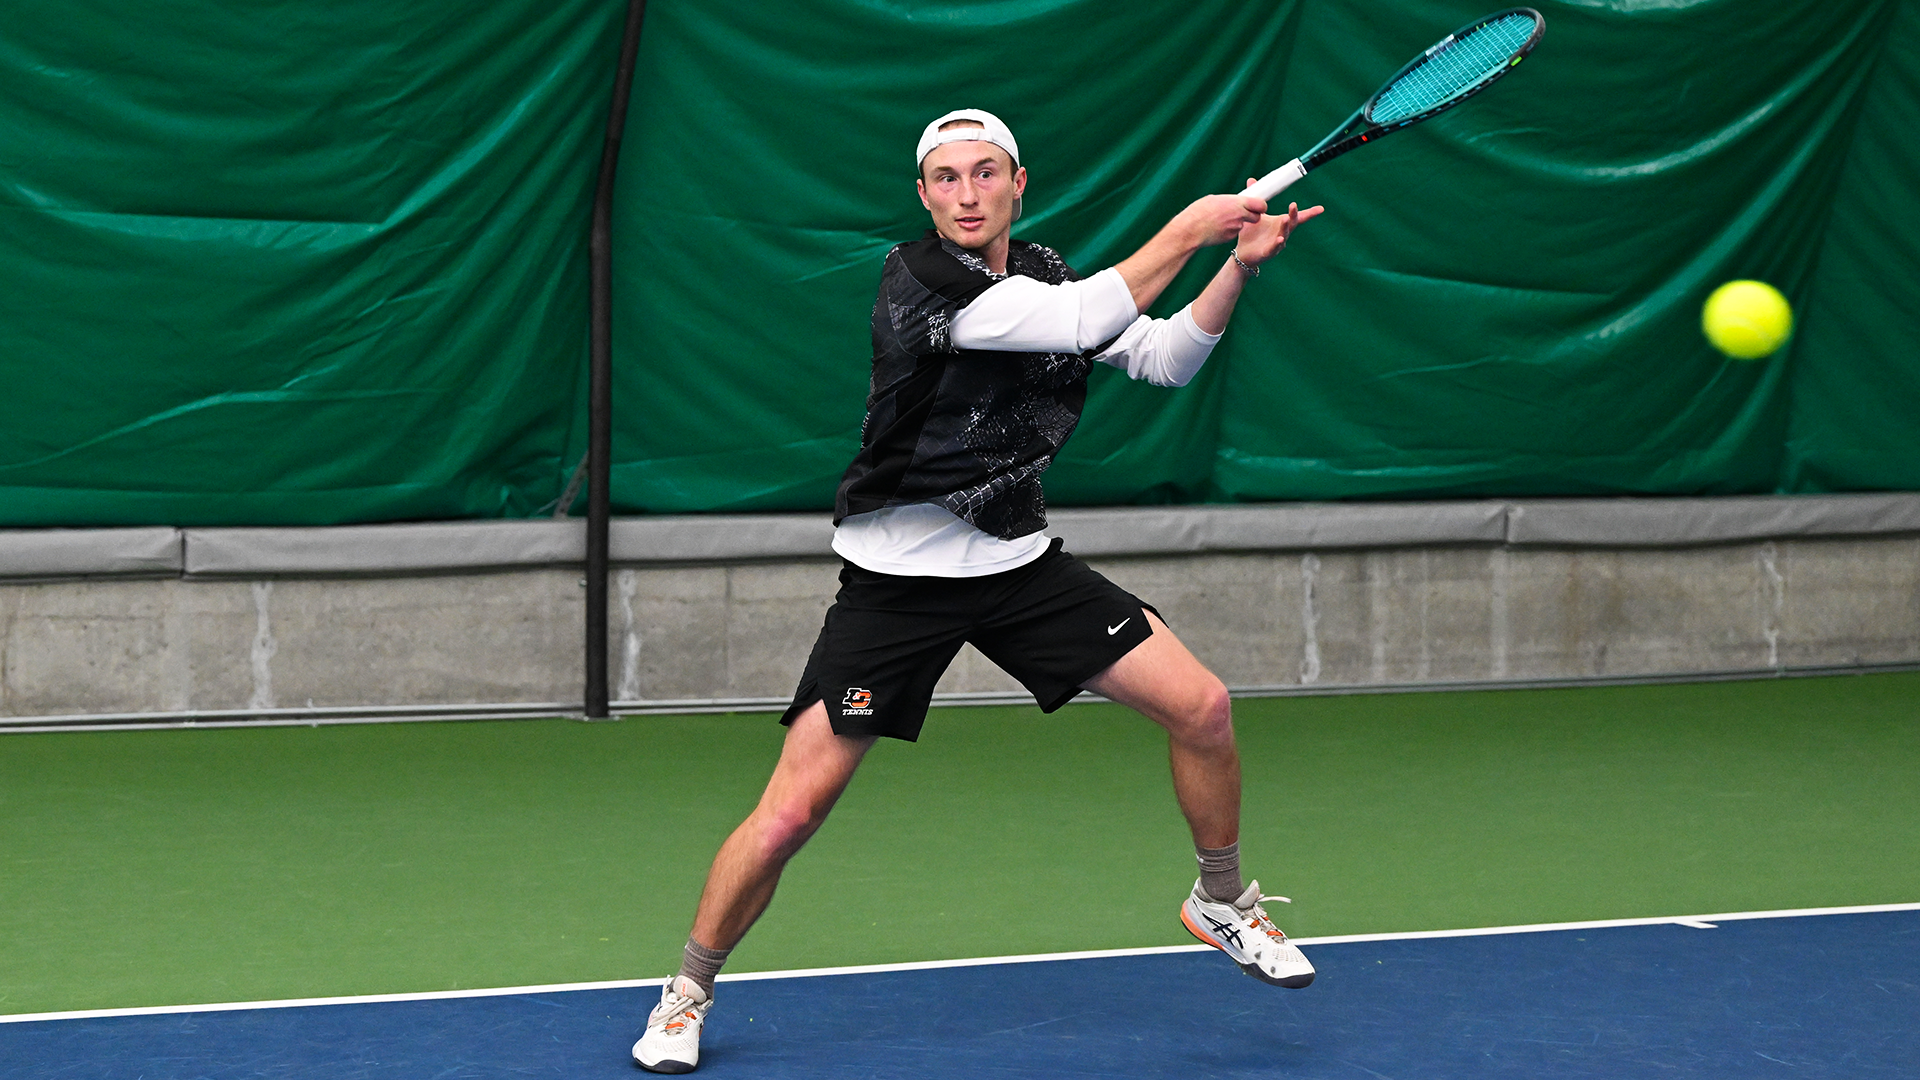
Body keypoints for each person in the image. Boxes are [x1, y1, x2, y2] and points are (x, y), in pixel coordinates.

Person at [633, 108, 1325, 1074]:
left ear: (1017, 183)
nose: (966, 194)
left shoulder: (1043, 271)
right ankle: (687, 993)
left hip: (1017, 567)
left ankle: (1221, 898)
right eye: (946, 178)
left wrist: (1238, 262)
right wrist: (1184, 228)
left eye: (984, 174)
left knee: (1202, 706)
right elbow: (1086, 319)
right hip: (896, 586)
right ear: (924, 194)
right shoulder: (919, 281)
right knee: (790, 814)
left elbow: (1163, 358)